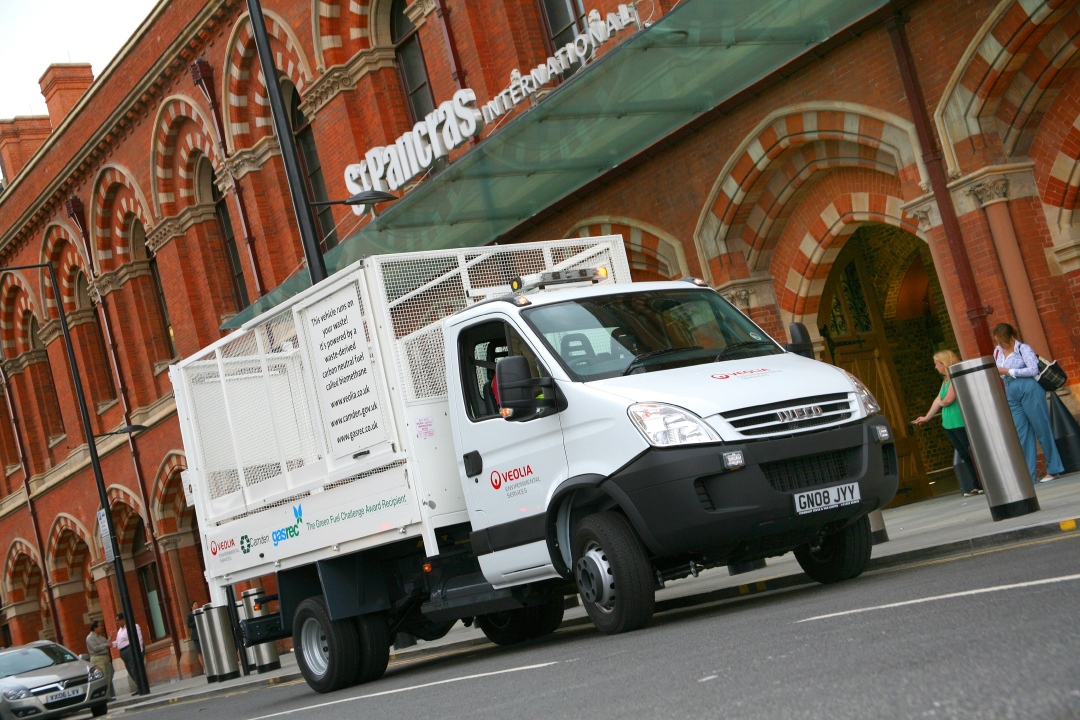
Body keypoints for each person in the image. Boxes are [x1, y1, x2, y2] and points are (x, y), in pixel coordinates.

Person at [992, 323, 1065, 484]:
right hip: (1010, 390)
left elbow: (1033, 369)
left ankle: (1054, 469)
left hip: (1029, 387)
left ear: (1011, 337)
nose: (999, 344)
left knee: (1042, 428)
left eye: (1001, 340)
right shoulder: (997, 352)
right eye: (996, 341)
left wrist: (1008, 371)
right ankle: (1028, 476)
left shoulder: (1023, 349)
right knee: (1021, 433)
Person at [914, 349, 983, 497]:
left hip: (959, 421)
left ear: (944, 363)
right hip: (949, 423)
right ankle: (976, 485)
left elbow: (948, 400)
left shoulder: (955, 378)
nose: (935, 367)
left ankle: (982, 483)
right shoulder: (945, 381)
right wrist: (927, 417)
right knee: (965, 455)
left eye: (936, 364)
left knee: (972, 453)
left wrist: (941, 401)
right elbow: (938, 400)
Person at [110, 612, 146, 696]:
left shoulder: (133, 626)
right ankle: (138, 686)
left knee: (135, 669)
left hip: (131, 650)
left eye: (118, 620)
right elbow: (120, 643)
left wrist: (139, 651)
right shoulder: (120, 631)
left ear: (123, 620)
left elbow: (139, 639)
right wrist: (112, 644)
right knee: (130, 670)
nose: (117, 622)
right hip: (123, 652)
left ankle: (142, 686)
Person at [85, 620, 115, 700]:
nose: (101, 628)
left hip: (105, 658)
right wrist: (106, 645)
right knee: (103, 676)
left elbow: (106, 643)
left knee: (108, 677)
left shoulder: (100, 637)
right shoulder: (90, 638)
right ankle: (103, 696)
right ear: (95, 628)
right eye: (100, 626)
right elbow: (95, 648)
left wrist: (110, 638)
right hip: (97, 658)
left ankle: (108, 695)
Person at [185, 601, 203, 672]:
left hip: (202, 634)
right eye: (195, 604)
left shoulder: (200, 612)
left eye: (197, 604)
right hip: (195, 635)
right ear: (192, 606)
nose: (197, 605)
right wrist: (195, 622)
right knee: (199, 652)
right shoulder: (190, 615)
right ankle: (204, 668)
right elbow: (189, 625)